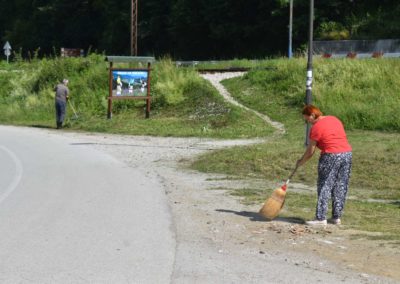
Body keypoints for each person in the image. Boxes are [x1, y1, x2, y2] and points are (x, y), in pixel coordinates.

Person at [296, 105, 352, 226]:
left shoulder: (316, 128)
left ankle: (320, 218)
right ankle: (336, 217)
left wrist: (301, 161)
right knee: (340, 185)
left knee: (325, 185)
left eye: (307, 119)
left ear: (312, 115)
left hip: (331, 155)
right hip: (347, 154)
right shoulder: (334, 119)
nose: (308, 122)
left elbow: (311, 151)